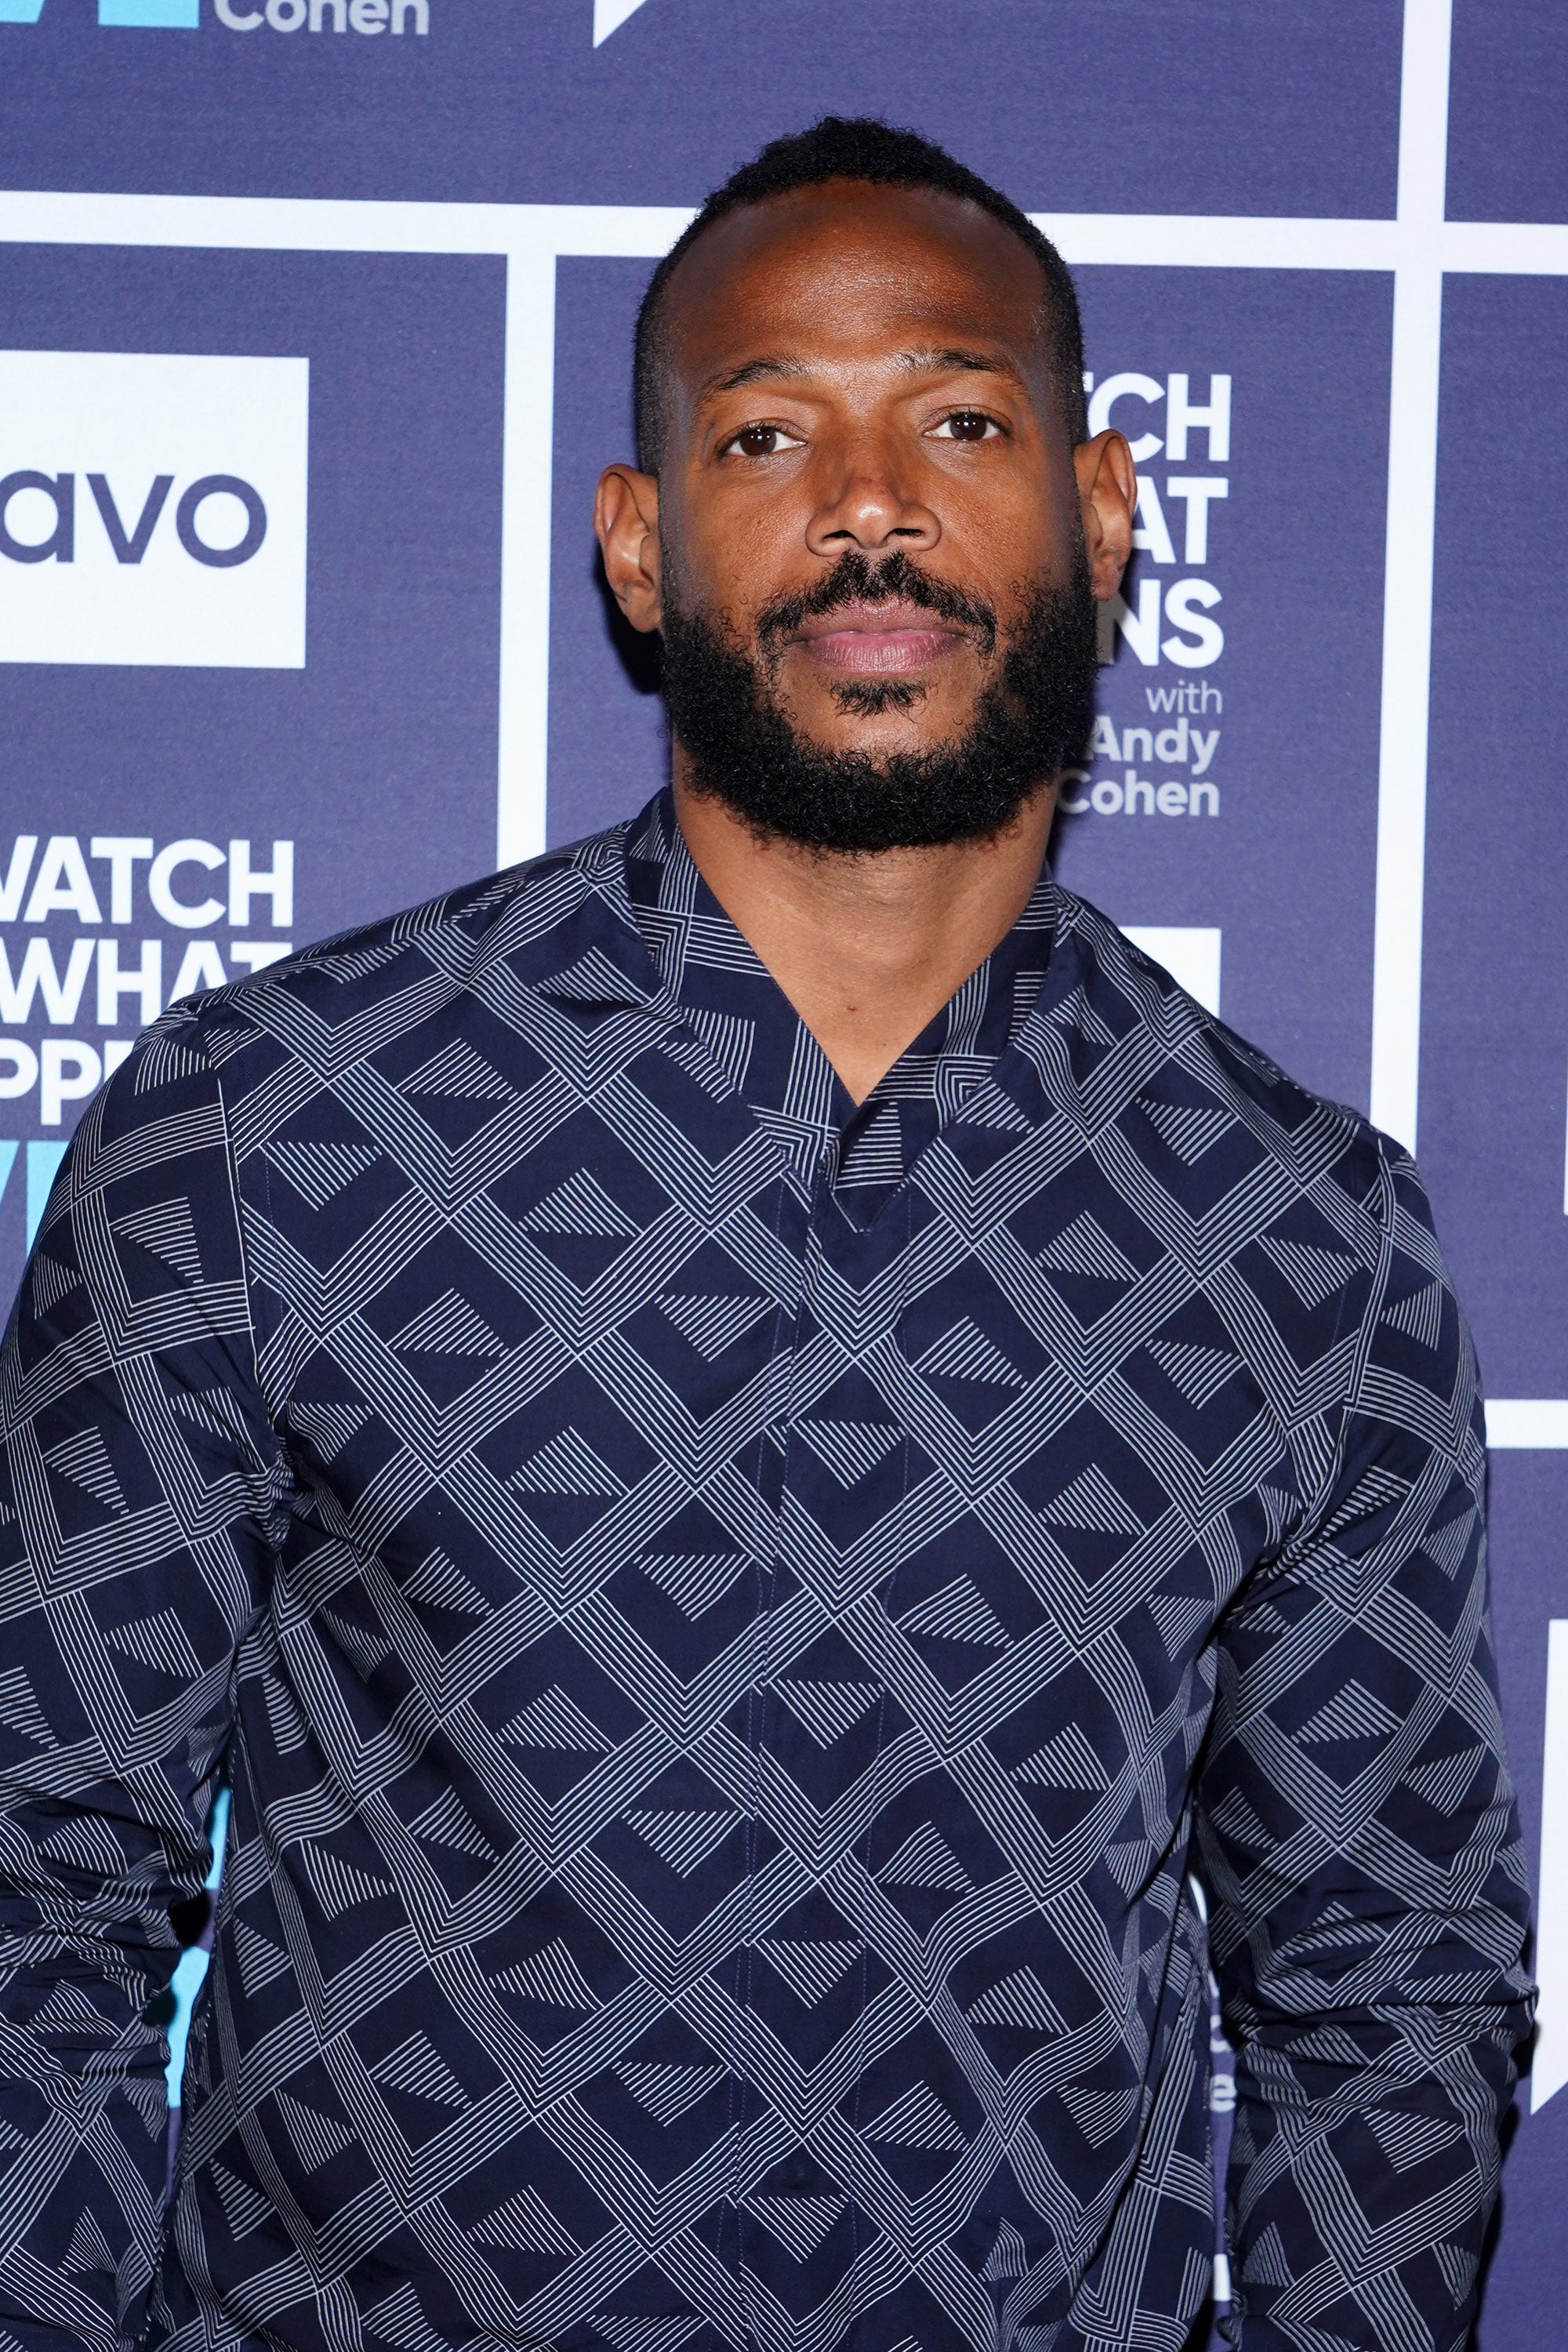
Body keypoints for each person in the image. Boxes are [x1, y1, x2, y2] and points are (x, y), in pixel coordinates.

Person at [0, 115, 1531, 2352]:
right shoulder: (264, 1127)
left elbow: (1390, 1994)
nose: (869, 506)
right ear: (642, 545)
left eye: (963, 418)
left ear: (1104, 511)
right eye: (766, 433)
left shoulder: (1305, 1242)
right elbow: (34, 1887)